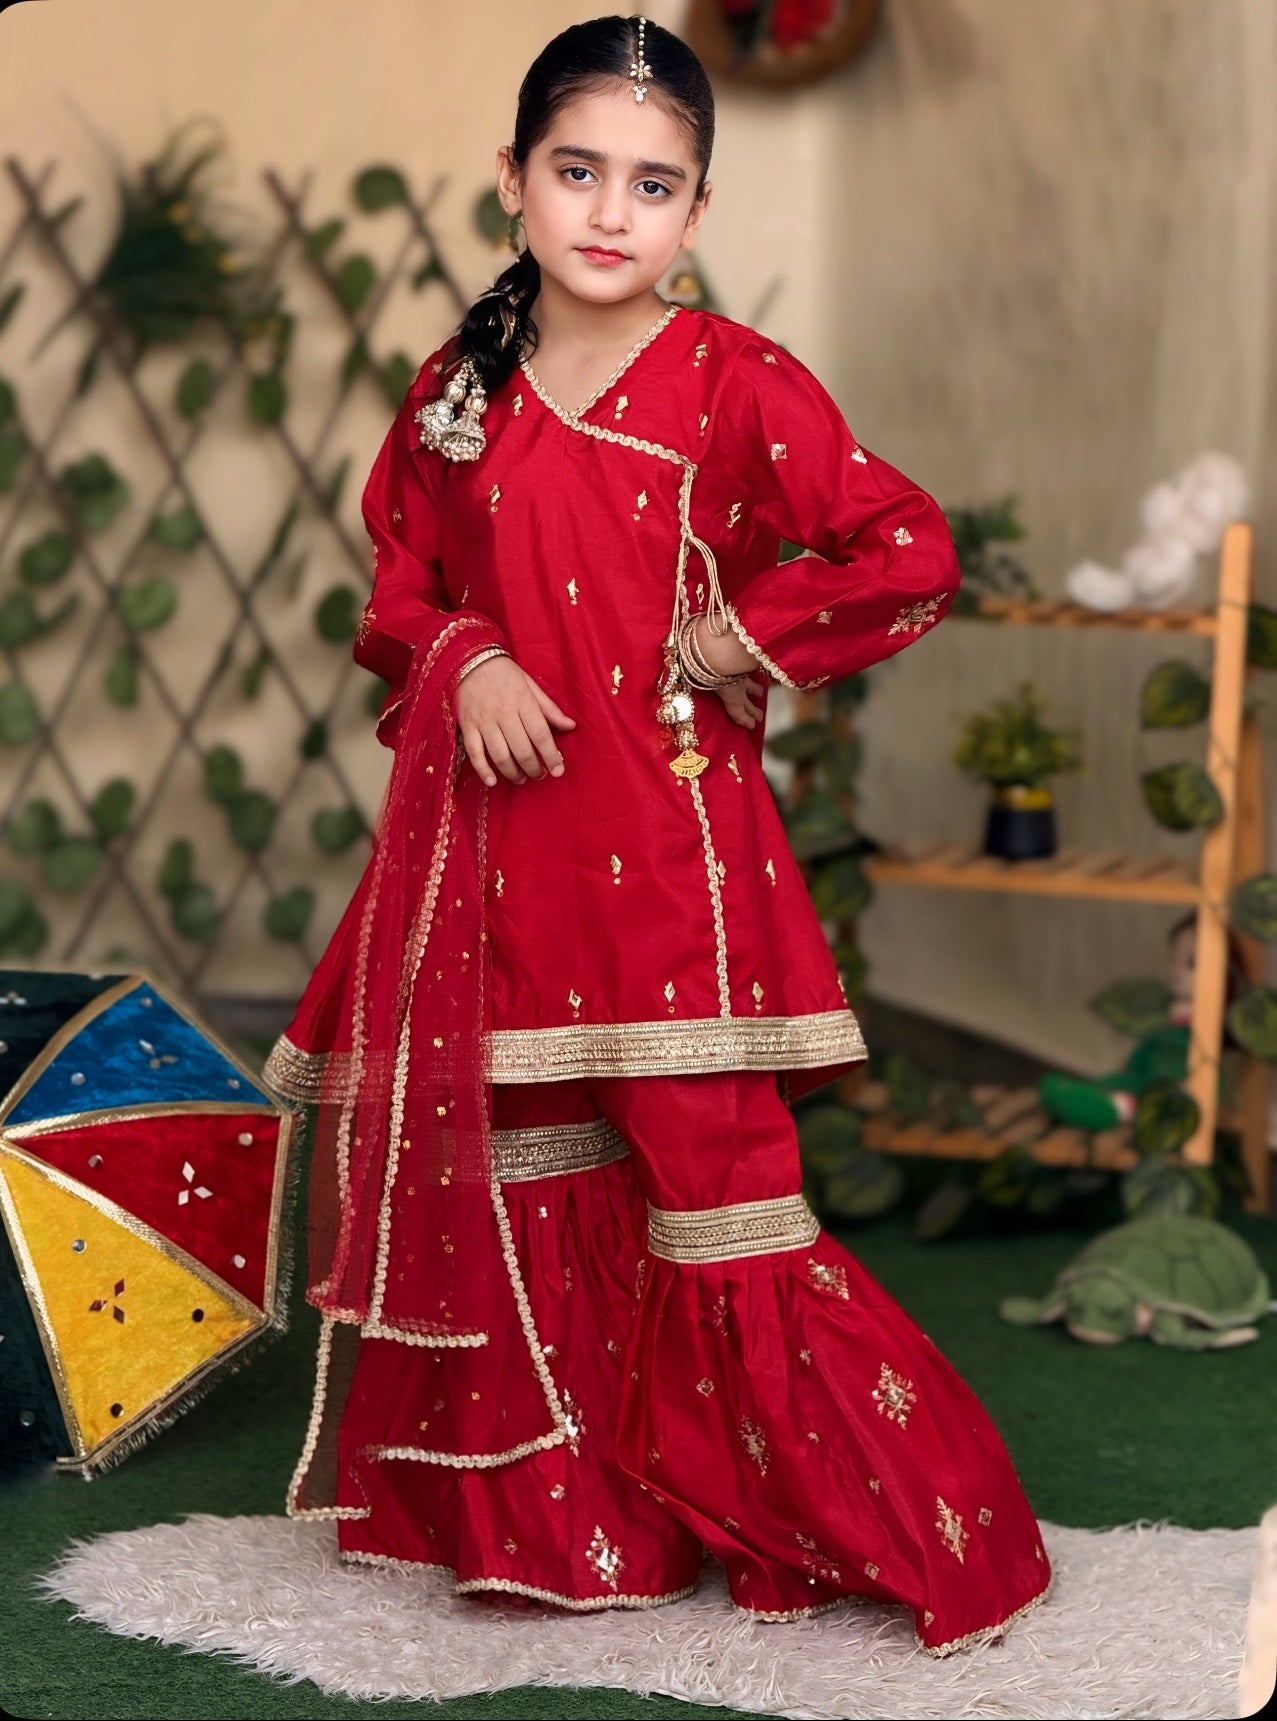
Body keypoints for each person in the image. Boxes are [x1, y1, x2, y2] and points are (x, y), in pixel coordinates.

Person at [264, 12, 1052, 1656]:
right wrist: (462, 653)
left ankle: (907, 1526)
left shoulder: (733, 381)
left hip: (670, 875)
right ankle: (582, 1537)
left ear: (694, 211)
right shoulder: (457, 390)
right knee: (535, 1182)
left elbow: (900, 544)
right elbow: (402, 584)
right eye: (576, 171)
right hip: (498, 865)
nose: (610, 212)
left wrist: (740, 631)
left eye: (652, 182)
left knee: (721, 1202)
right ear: (513, 184)